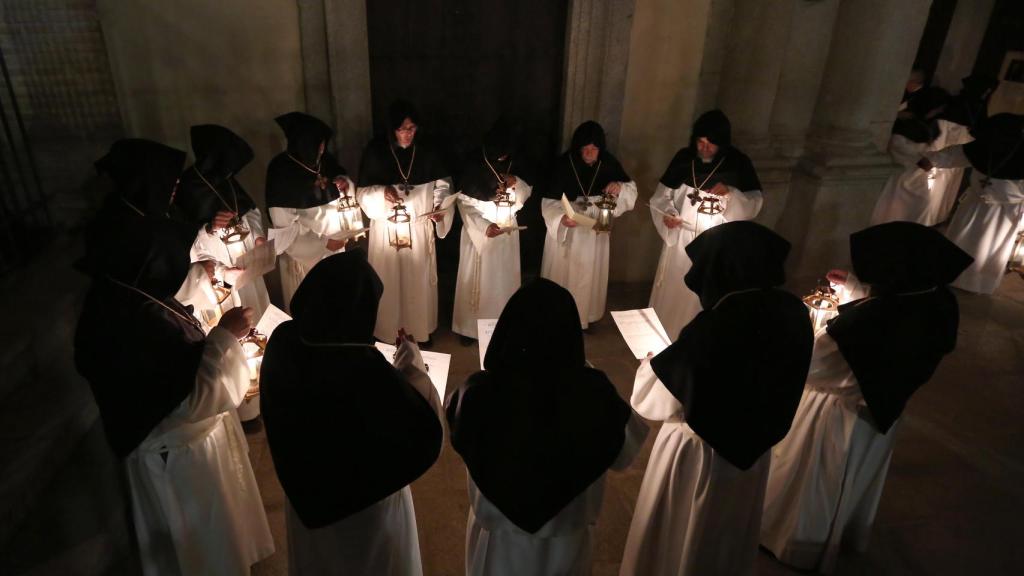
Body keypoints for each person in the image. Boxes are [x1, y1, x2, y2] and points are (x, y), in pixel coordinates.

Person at [760, 222, 973, 573]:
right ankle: (843, 533)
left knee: (812, 483)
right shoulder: (937, 300)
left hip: (834, 413)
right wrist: (854, 289)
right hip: (880, 409)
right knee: (852, 478)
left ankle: (793, 544)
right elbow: (893, 307)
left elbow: (811, 364)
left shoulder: (865, 326)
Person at [75, 213, 274, 576]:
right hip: (178, 459)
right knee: (202, 554)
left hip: (188, 448)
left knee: (220, 542)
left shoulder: (129, 293)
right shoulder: (134, 324)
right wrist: (226, 338)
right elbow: (193, 399)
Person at [620, 221, 813, 576]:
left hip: (700, 455)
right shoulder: (794, 311)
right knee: (728, 531)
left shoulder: (714, 326)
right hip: (751, 454)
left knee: (685, 532)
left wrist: (652, 363)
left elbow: (654, 401)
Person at [446, 279, 648, 576]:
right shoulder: (594, 393)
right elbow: (626, 453)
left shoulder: (478, 393)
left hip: (499, 542)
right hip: (568, 540)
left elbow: (456, 433)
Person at [260, 250, 443, 576]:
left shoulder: (285, 342)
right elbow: (424, 431)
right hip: (368, 514)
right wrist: (413, 368)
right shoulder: (367, 372)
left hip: (309, 500)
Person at [648, 110, 763, 337]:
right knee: (676, 288)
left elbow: (755, 203)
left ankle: (693, 340)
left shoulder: (738, 163)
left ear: (723, 143)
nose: (704, 148)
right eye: (700, 142)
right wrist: (668, 213)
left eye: (711, 144)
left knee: (699, 296)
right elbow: (661, 196)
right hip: (681, 237)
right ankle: (662, 336)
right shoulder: (684, 158)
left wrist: (731, 193)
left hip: (715, 244)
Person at [92, 138, 222, 321]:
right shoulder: (126, 227)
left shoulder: (155, 211)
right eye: (169, 181)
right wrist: (198, 273)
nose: (176, 184)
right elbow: (147, 291)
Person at [356, 99, 454, 343]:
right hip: (387, 233)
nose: (408, 134)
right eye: (402, 129)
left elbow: (443, 184)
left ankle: (419, 331)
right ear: (392, 129)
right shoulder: (376, 150)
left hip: (418, 230)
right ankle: (388, 332)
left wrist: (440, 207)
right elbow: (361, 194)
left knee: (417, 282)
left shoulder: (428, 150)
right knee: (389, 282)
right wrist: (381, 193)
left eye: (412, 128)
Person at [540, 121, 637, 328]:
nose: (589, 153)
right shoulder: (564, 164)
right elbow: (548, 201)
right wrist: (561, 219)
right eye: (585, 148)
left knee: (589, 275)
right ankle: (558, 317)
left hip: (595, 231)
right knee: (564, 273)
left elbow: (631, 190)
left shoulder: (608, 163)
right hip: (569, 229)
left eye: (594, 149)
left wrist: (619, 187)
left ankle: (586, 316)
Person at [176, 124, 271, 320]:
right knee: (234, 317)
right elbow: (184, 235)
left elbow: (250, 210)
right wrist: (209, 228)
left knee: (258, 313)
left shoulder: (225, 178)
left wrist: (257, 236)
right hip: (219, 270)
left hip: (247, 261)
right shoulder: (188, 187)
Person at [922, 113, 1024, 294]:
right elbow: (955, 154)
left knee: (987, 247)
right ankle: (952, 274)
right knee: (963, 239)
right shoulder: (983, 147)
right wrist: (930, 160)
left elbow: (953, 154)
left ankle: (977, 283)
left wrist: (931, 160)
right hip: (976, 203)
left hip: (1004, 211)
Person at [266, 111, 354, 311]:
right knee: (312, 308)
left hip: (334, 247)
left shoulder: (323, 160)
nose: (323, 148)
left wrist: (343, 182)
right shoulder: (280, 171)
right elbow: (284, 229)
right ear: (305, 144)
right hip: (304, 257)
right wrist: (323, 243)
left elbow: (341, 179)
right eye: (319, 143)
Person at [452, 120, 531, 341]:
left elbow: (527, 188)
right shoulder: (473, 164)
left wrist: (515, 182)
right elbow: (463, 203)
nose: (503, 159)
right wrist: (485, 227)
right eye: (500, 154)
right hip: (479, 231)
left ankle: (501, 328)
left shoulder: (514, 160)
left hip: (505, 231)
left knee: (502, 283)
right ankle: (469, 330)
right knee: (478, 283)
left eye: (507, 155)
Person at [870, 87, 953, 226]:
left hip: (917, 176)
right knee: (892, 211)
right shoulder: (905, 120)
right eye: (938, 108)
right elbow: (897, 144)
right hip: (901, 174)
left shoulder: (932, 124)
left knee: (920, 208)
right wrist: (919, 159)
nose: (940, 111)